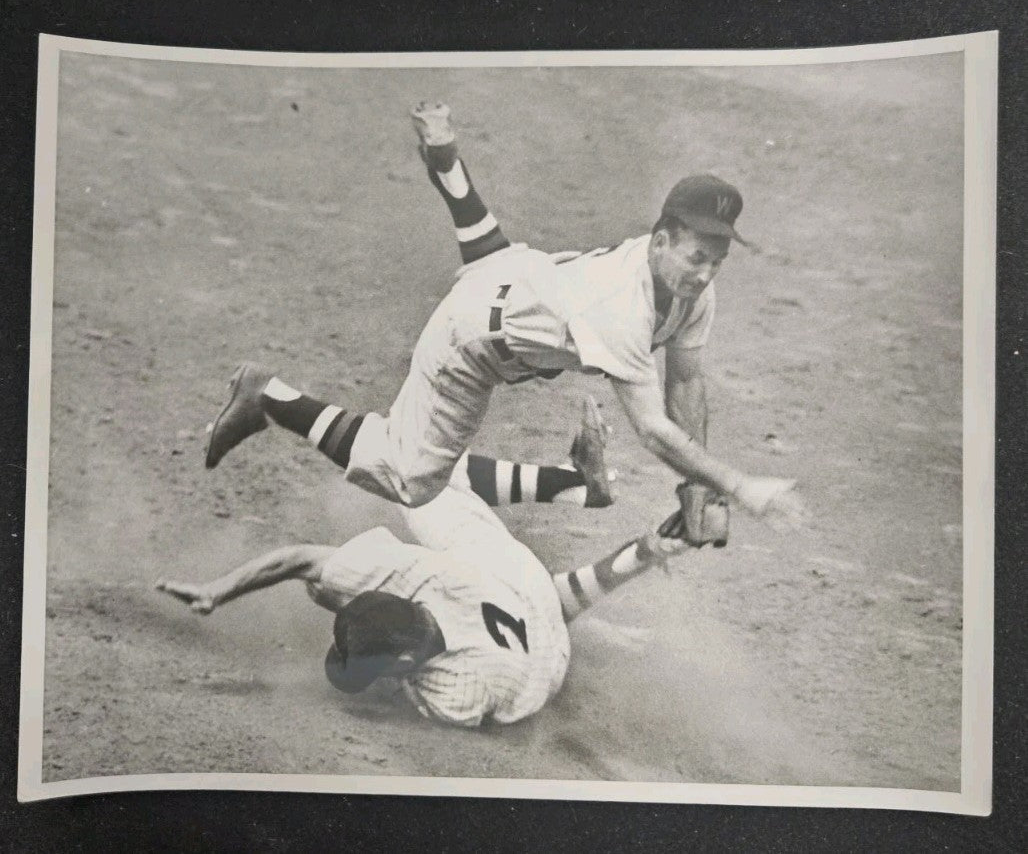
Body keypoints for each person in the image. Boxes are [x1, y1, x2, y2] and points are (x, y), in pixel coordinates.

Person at [204, 103, 805, 529]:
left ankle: (446, 160)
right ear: (661, 241)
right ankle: (268, 395)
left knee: (496, 261)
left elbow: (687, 382)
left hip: (519, 272)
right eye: (697, 257)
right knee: (411, 480)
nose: (705, 274)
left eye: (718, 260)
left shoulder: (692, 288)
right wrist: (738, 485)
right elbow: (653, 429)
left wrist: (698, 489)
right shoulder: (622, 306)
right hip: (472, 340)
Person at [158, 401, 691, 727]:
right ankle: (575, 487)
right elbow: (300, 561)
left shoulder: (455, 691)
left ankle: (634, 553)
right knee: (415, 474)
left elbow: (299, 565)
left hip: (546, 651)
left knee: (541, 602)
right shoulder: (414, 576)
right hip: (518, 603)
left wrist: (219, 590)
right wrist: (220, 590)